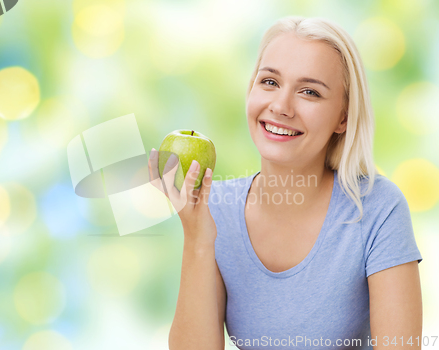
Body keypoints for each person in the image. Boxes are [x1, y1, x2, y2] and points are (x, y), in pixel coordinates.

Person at [149, 16, 423, 350]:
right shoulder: (214, 207)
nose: (280, 106)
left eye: (309, 92)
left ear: (343, 118)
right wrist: (198, 239)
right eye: (269, 82)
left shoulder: (378, 208)